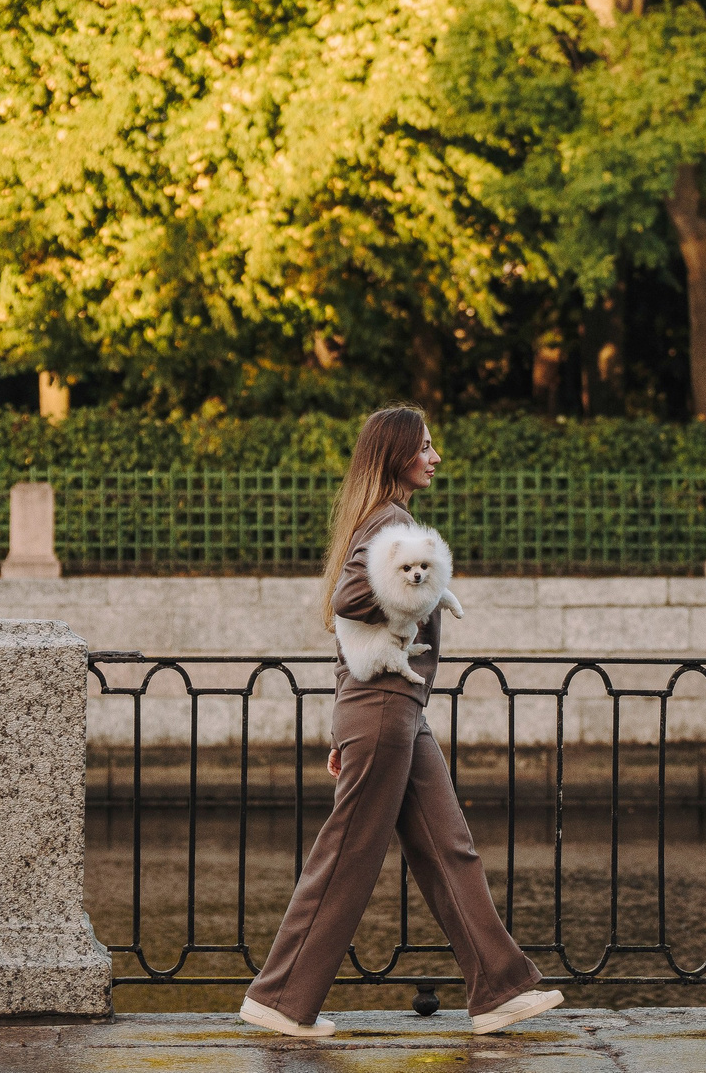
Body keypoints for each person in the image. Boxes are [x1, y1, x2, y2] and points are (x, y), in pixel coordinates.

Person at [239, 404, 564, 1039]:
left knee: (449, 849)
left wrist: (342, 722)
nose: (435, 456)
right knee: (349, 853)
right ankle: (279, 997)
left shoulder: (381, 522)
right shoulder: (391, 523)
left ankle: (497, 988)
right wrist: (402, 606)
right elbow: (349, 602)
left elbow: (350, 627)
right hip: (384, 708)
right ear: (396, 456)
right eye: (424, 447)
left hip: (391, 708)